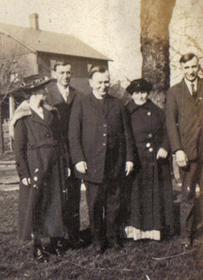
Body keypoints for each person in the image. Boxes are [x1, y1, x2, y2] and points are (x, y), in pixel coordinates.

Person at [68, 66, 134, 254]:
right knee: (95, 204)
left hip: (115, 163)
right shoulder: (81, 103)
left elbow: (127, 134)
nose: (104, 86)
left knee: (114, 203)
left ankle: (113, 237)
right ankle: (98, 240)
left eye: (106, 82)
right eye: (99, 82)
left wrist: (129, 158)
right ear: (91, 83)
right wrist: (79, 159)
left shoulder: (118, 103)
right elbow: (74, 135)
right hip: (92, 164)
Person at [10, 77, 68, 263]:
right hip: (36, 164)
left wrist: (65, 163)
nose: (46, 92)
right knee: (36, 206)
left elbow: (60, 141)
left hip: (55, 163)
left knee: (55, 203)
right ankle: (37, 247)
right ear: (33, 92)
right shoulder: (22, 116)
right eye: (43, 89)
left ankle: (56, 242)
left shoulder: (51, 112)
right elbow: (18, 149)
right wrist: (23, 173)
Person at [166, 53, 203, 248]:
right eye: (186, 68)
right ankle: (186, 235)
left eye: (193, 67)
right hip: (187, 151)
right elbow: (171, 123)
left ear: (198, 66)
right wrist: (178, 149)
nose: (191, 71)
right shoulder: (174, 92)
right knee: (187, 194)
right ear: (181, 69)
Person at [123, 79, 174, 241]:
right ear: (132, 94)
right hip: (136, 161)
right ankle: (136, 232)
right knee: (137, 196)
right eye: (136, 93)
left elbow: (169, 130)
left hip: (156, 161)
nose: (140, 96)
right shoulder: (126, 111)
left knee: (155, 195)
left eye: (143, 92)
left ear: (148, 93)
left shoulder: (157, 111)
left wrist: (165, 147)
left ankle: (156, 230)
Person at [46, 61, 83, 249]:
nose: (65, 76)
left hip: (75, 150)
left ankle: (74, 235)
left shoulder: (78, 95)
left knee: (74, 194)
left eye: (68, 72)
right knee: (58, 195)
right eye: (61, 72)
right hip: (57, 151)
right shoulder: (47, 95)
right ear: (54, 74)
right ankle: (57, 236)